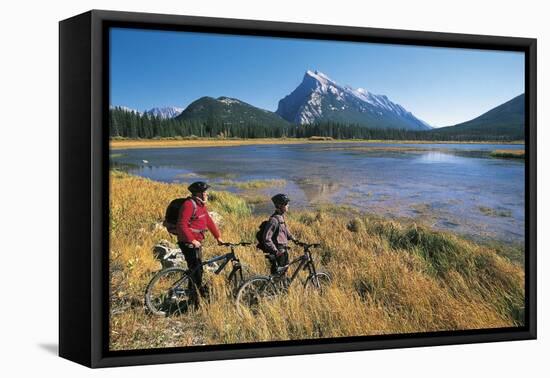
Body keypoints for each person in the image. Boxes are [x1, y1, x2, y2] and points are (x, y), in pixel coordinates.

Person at [176, 181, 224, 307]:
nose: (207, 194)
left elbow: (208, 220)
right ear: (199, 193)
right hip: (188, 243)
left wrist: (218, 237)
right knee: (196, 272)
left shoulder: (201, 205)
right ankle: (195, 302)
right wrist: (192, 240)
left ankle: (193, 297)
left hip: (197, 242)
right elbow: (182, 225)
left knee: (197, 270)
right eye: (205, 192)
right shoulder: (188, 205)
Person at [260, 193, 296, 275]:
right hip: (278, 252)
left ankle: (281, 287)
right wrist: (276, 251)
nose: (288, 206)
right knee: (277, 275)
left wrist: (294, 239)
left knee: (283, 273)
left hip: (283, 250)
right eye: (286, 204)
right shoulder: (274, 220)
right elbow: (266, 238)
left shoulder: (281, 217)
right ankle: (272, 287)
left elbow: (285, 231)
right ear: (280, 206)